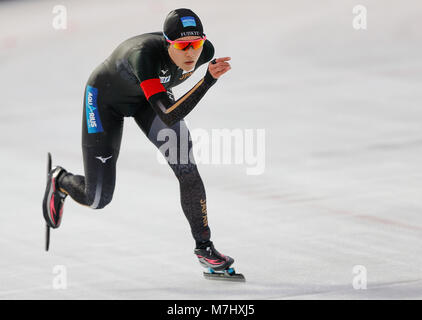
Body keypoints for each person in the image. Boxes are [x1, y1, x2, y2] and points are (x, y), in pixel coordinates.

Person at [42, 8, 234, 272]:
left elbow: (167, 108)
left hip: (150, 99)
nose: (191, 53)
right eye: (183, 46)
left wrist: (198, 77)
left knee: (186, 166)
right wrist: (207, 81)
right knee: (98, 198)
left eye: (196, 44)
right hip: (106, 100)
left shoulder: (206, 53)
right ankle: (60, 179)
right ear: (168, 44)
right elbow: (170, 114)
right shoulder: (142, 55)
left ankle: (205, 247)